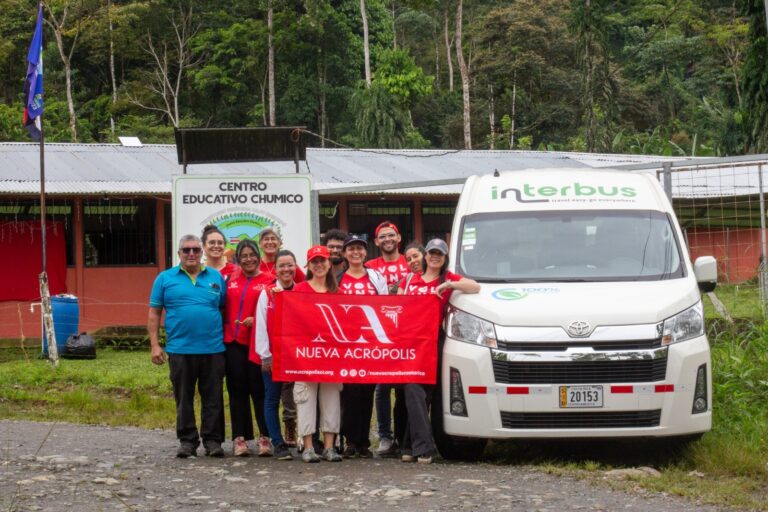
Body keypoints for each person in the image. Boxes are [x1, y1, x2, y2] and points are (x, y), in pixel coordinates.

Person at [398, 238, 480, 464]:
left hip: (433, 341)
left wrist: (449, 285)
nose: (435, 257)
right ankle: (418, 445)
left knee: (422, 391)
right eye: (432, 252)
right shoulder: (410, 279)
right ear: (425, 256)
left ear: (445, 259)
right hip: (409, 343)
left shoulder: (446, 278)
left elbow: (475, 286)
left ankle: (414, 446)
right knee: (413, 389)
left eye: (439, 254)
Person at [148, 234, 226, 458]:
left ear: (202, 253)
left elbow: (221, 308)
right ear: (179, 253)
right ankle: (187, 441)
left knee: (213, 398)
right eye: (186, 250)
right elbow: (154, 313)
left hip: (213, 349)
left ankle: (213, 441)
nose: (191, 254)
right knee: (184, 398)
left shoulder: (215, 277)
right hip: (180, 349)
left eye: (195, 250)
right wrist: (155, 345)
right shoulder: (164, 279)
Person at [222, 239, 276, 457]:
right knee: (237, 391)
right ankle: (240, 438)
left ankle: (265, 438)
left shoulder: (270, 280)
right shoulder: (230, 279)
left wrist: (259, 319)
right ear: (238, 258)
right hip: (233, 343)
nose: (248, 259)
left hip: (259, 345)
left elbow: (276, 309)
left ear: (258, 256)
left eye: (251, 254)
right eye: (243, 256)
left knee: (260, 390)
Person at [337, 234, 387, 459]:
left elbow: (386, 305)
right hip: (345, 345)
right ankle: (349, 441)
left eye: (359, 249)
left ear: (365, 252)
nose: (355, 252)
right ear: (345, 253)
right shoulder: (337, 279)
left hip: (370, 344)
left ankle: (364, 441)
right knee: (348, 393)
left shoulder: (376, 277)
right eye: (351, 249)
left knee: (367, 392)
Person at [292, 245, 343, 463]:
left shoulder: (337, 292)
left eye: (323, 261)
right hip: (305, 354)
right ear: (309, 266)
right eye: (315, 261)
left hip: (331, 355)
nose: (319, 265)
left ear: (329, 263)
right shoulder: (299, 289)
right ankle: (308, 446)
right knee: (305, 398)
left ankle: (330, 446)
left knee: (331, 399)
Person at [365, 221, 410, 456]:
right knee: (382, 388)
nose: (387, 239)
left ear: (399, 237)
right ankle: (384, 437)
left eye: (391, 235)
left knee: (404, 389)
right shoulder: (370, 266)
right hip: (380, 334)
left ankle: (404, 437)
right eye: (382, 236)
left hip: (406, 333)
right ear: (376, 242)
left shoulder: (410, 261)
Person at [254, 249, 299, 460]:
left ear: (295, 267)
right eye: (282, 266)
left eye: (290, 265)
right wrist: (265, 355)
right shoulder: (267, 293)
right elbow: (261, 325)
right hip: (274, 356)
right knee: (272, 399)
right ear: (276, 269)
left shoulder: (302, 292)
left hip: (297, 356)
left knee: (302, 398)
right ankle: (277, 442)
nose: (286, 269)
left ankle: (305, 440)